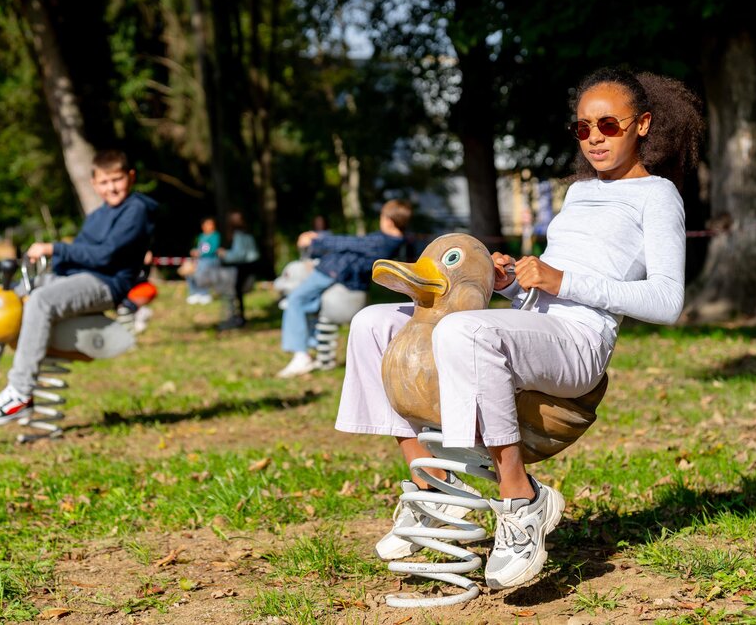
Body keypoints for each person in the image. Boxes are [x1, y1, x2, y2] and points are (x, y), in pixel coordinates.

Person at [333, 67, 704, 590]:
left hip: (580, 344)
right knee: (373, 323)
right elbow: (544, 291)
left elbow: (667, 301)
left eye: (608, 125)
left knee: (466, 332)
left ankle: (521, 500)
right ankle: (431, 484)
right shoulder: (579, 193)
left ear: (641, 125)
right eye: (583, 128)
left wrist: (562, 279)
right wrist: (512, 284)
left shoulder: (657, 195)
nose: (594, 138)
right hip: (535, 325)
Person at [0, 149, 159, 423]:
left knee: (41, 301)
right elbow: (81, 252)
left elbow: (105, 256)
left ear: (130, 177)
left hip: (106, 283)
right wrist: (54, 263)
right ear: (94, 184)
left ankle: (21, 392)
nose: (111, 188)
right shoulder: (99, 214)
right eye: (104, 182)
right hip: (76, 277)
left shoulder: (136, 210)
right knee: (3, 295)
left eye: (117, 180)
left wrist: (55, 248)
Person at [276, 200, 412, 378]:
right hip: (336, 274)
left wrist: (316, 239)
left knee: (295, 300)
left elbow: (348, 243)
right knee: (308, 305)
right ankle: (311, 343)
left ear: (388, 220)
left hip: (332, 273)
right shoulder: (390, 241)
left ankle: (301, 355)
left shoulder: (383, 241)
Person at [211, 210, 260, 331]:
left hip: (245, 265)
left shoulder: (238, 235)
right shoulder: (246, 233)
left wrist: (224, 254)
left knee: (234, 291)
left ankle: (237, 317)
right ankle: (239, 316)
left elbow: (238, 254)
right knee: (237, 291)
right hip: (250, 264)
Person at [186, 217, 220, 305]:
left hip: (210, 260)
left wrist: (200, 253)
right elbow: (200, 247)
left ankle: (204, 293)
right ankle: (194, 292)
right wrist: (195, 252)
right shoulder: (201, 236)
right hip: (200, 260)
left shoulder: (215, 236)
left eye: (210, 224)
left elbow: (213, 249)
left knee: (202, 273)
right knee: (189, 273)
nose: (209, 226)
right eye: (207, 224)